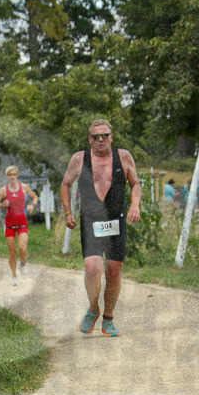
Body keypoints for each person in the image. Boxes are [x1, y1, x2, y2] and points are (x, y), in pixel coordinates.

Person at [60, 119, 142, 337]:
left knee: (114, 270)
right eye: (96, 137)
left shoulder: (123, 156)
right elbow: (66, 184)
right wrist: (68, 212)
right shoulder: (80, 159)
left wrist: (135, 205)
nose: (100, 140)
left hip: (116, 220)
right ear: (90, 139)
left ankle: (108, 319)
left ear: (111, 137)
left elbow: (135, 183)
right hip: (91, 221)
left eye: (105, 135)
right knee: (92, 268)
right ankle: (93, 308)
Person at [0, 165, 39, 285]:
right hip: (9, 225)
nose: (12, 177)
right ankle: (14, 276)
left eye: (14, 174)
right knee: (12, 252)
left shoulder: (24, 187)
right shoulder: (4, 190)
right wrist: (2, 204)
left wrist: (32, 205)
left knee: (22, 248)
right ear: (7, 176)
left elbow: (35, 197)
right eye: (10, 174)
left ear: (17, 175)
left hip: (22, 223)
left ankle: (23, 265)